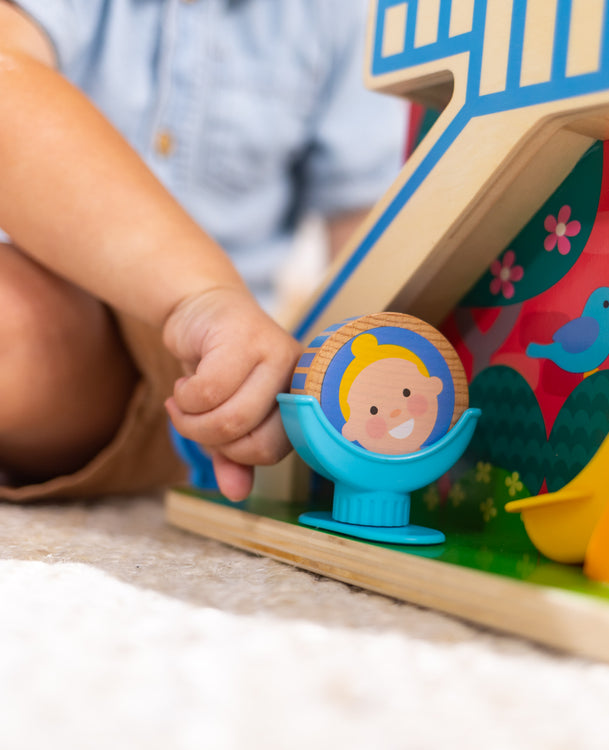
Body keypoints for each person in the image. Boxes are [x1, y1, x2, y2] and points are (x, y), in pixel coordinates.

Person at [0, 0, 407, 502]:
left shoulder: (333, 17)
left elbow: (366, 235)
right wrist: (198, 293)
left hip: (196, 368)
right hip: (61, 286)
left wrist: (326, 397)